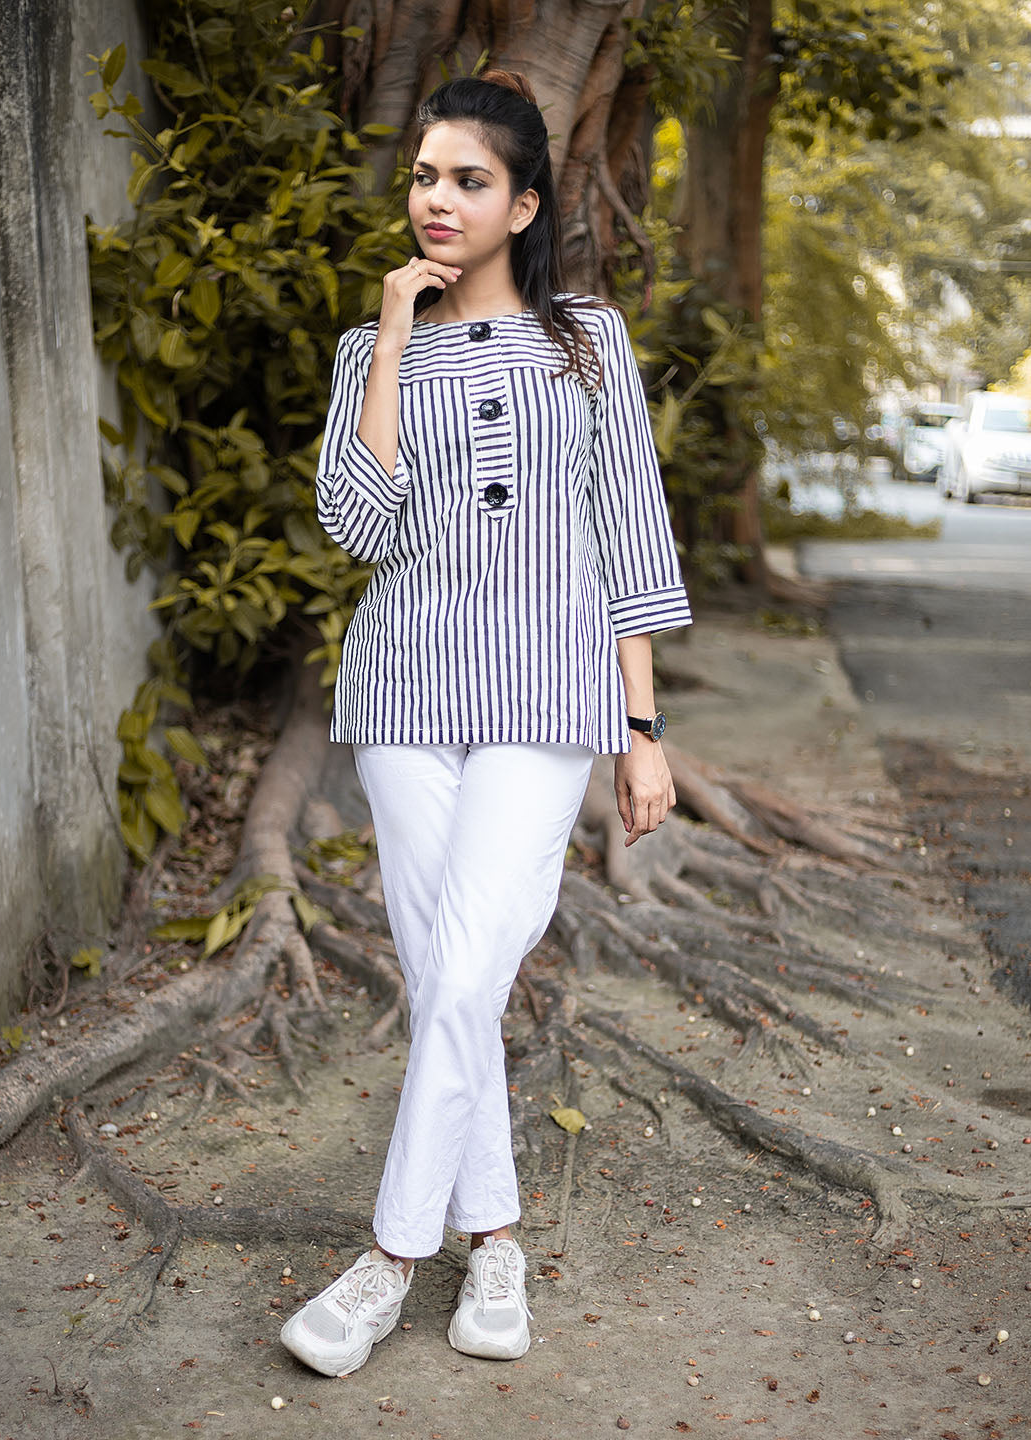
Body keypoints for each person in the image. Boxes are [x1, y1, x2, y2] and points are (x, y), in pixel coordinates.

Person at [280, 68, 691, 1380]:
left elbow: (628, 534)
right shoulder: (367, 353)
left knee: (464, 976)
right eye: (423, 177)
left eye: (467, 180)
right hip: (405, 694)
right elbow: (358, 523)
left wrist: (643, 728)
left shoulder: (589, 342)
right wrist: (395, 341)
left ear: (522, 204)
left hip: (550, 695)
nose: (437, 200)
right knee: (448, 976)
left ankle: (390, 1260)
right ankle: (497, 1237)